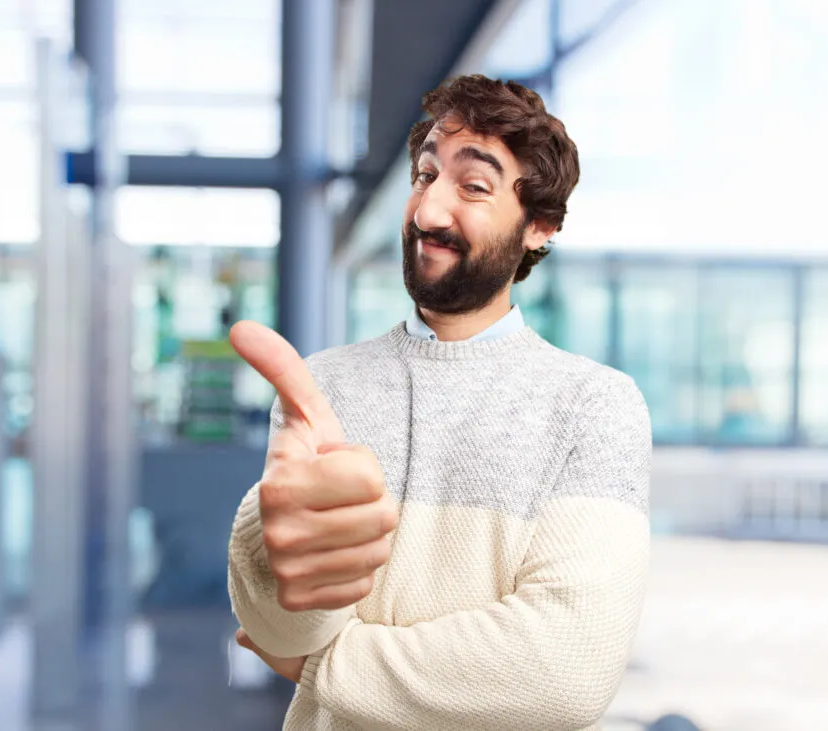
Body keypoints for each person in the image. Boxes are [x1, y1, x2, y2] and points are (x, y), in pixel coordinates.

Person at [226, 74, 652, 731]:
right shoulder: (325, 385)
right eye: (426, 175)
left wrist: (322, 668)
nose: (428, 211)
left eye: (473, 186)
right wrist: (268, 545)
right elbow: (279, 625)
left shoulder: (593, 405)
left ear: (539, 225)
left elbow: (565, 671)